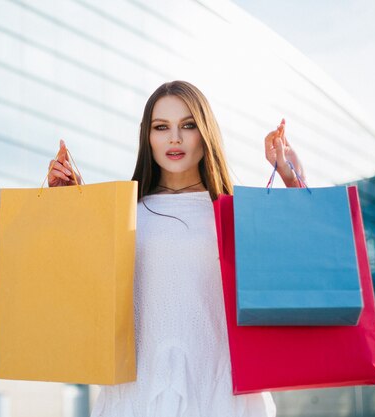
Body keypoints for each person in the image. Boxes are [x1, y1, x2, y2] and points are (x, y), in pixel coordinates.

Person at [48, 80, 305, 417]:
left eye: (187, 125)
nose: (174, 138)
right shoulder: (122, 214)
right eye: (161, 127)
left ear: (206, 132)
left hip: (223, 393)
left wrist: (291, 179)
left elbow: (298, 269)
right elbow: (81, 289)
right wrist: (74, 208)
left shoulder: (237, 212)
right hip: (136, 393)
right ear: (147, 136)